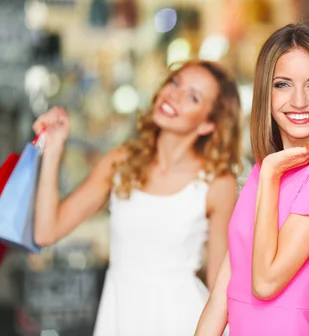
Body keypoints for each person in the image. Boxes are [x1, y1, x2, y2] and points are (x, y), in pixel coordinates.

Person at [32, 60, 242, 336]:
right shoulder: (121, 161)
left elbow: (220, 284)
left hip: (182, 320)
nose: (173, 95)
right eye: (175, 82)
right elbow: (46, 233)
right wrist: (54, 147)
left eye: (192, 96)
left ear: (207, 124)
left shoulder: (217, 182)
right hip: (120, 315)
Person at [195, 23, 309, 336]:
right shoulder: (264, 169)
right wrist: (270, 172)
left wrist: (271, 176)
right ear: (265, 93)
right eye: (283, 85)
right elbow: (224, 291)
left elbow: (266, 282)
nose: (299, 101)